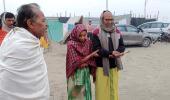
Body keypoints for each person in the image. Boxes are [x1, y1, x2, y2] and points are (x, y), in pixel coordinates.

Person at [0, 3, 49, 100]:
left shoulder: (23, 39)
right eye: (43, 21)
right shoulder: (18, 45)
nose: (46, 25)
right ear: (30, 23)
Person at [92, 10, 125, 100]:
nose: (109, 21)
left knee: (113, 90)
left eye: (111, 19)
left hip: (114, 66)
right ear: (102, 19)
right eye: (107, 19)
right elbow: (96, 49)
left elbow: (122, 46)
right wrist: (110, 53)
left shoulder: (117, 31)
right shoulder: (96, 32)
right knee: (102, 92)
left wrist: (118, 52)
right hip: (101, 67)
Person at [66, 24, 98, 100]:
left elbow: (91, 59)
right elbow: (76, 62)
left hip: (85, 72)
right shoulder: (71, 44)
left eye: (84, 35)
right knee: (75, 95)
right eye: (80, 36)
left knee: (85, 93)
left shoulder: (88, 43)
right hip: (75, 73)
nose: (83, 38)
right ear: (75, 34)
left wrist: (88, 60)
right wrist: (90, 56)